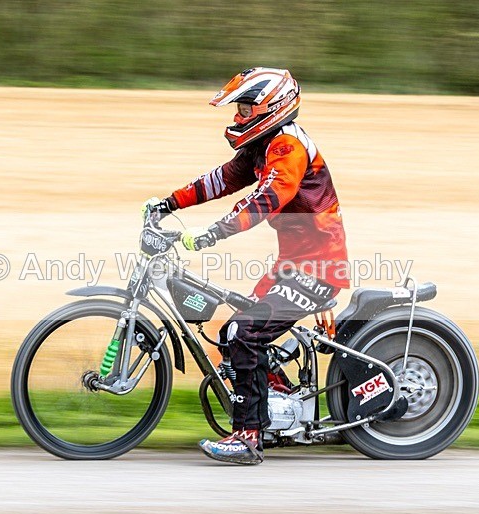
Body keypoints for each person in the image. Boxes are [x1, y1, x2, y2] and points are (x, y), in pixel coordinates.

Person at [143, 67, 349, 465]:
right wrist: (169, 202)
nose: (238, 117)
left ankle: (248, 437)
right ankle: (281, 406)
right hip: (294, 265)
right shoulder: (264, 144)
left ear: (271, 106)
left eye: (244, 107)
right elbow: (220, 180)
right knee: (231, 333)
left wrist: (211, 233)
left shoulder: (288, 148)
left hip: (318, 269)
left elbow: (265, 200)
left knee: (243, 332)